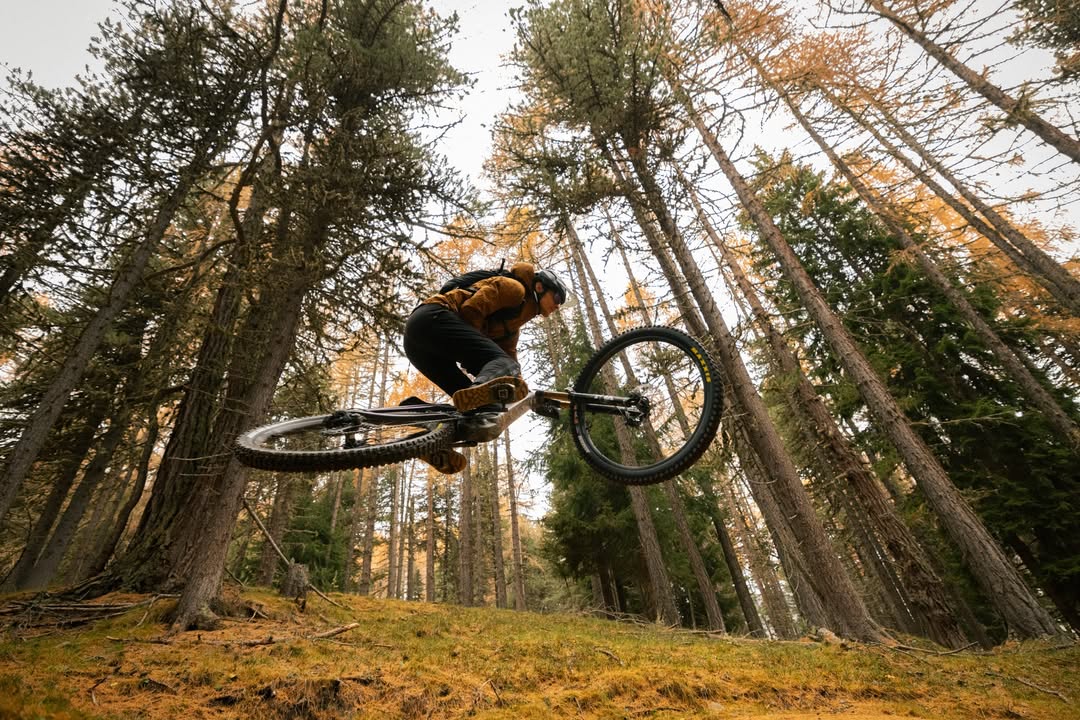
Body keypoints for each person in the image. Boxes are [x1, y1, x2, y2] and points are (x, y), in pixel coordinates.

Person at [403, 261, 567, 474]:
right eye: (557, 298)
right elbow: (471, 309)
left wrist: (530, 400)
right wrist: (474, 357)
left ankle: (426, 432)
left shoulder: (512, 327)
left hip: (419, 345)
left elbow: (511, 369)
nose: (558, 305)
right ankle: (475, 395)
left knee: (478, 415)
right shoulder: (515, 289)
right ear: (539, 287)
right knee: (486, 395)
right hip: (432, 318)